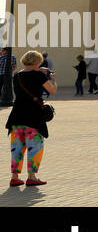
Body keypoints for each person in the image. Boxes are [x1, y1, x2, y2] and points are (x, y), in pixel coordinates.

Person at [6, 50, 55, 187]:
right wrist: (52, 79)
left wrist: (39, 71)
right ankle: (32, 177)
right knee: (35, 147)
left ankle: (14, 177)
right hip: (34, 117)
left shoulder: (17, 76)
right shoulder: (39, 75)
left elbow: (28, 75)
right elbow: (52, 90)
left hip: (16, 116)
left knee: (17, 148)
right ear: (38, 61)